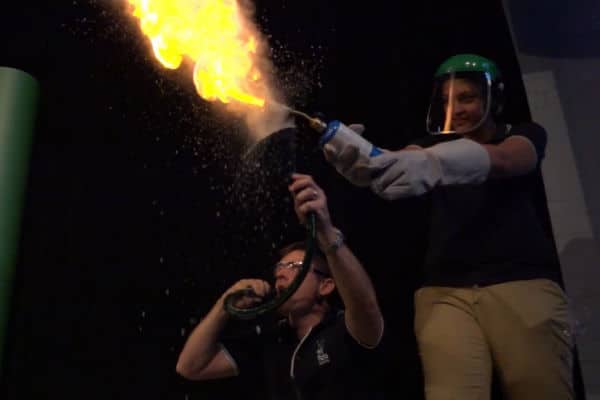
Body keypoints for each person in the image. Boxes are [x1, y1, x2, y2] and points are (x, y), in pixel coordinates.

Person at [321, 54, 574, 399]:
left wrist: (432, 163)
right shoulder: (432, 145)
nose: (454, 109)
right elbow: (392, 161)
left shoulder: (522, 133)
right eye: (446, 100)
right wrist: (359, 156)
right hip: (445, 292)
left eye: (466, 98)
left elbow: (508, 159)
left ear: (492, 98)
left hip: (523, 283)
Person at [176, 173, 385, 399]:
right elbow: (190, 367)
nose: (280, 273)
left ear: (325, 286)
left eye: (294, 265)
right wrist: (224, 305)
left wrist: (326, 233)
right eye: (279, 267)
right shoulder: (273, 341)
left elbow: (366, 305)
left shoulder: (345, 329)